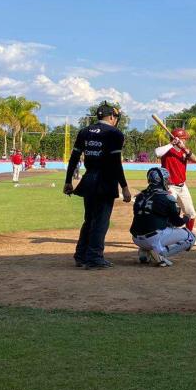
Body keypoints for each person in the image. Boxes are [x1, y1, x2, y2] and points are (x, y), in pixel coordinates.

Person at [63, 102, 131, 270]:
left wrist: (68, 181)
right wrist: (124, 186)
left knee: (89, 219)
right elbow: (115, 163)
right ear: (111, 117)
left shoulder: (84, 131)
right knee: (101, 221)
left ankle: (81, 255)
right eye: (116, 117)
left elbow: (74, 157)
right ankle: (94, 257)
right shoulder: (115, 133)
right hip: (105, 180)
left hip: (88, 179)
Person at [130, 167, 196, 267]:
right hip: (152, 239)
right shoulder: (166, 197)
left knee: (152, 224)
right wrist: (186, 217)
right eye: (166, 179)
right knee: (191, 237)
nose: (168, 182)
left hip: (136, 238)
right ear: (159, 180)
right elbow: (177, 223)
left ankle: (144, 252)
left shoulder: (140, 195)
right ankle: (161, 253)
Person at [155, 128, 196, 234]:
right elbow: (157, 152)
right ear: (178, 139)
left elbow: (195, 159)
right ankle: (165, 234)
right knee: (169, 212)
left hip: (182, 186)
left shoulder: (184, 151)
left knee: (190, 213)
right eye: (184, 139)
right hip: (169, 187)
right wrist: (171, 143)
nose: (185, 141)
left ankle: (189, 235)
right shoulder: (167, 150)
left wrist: (184, 148)